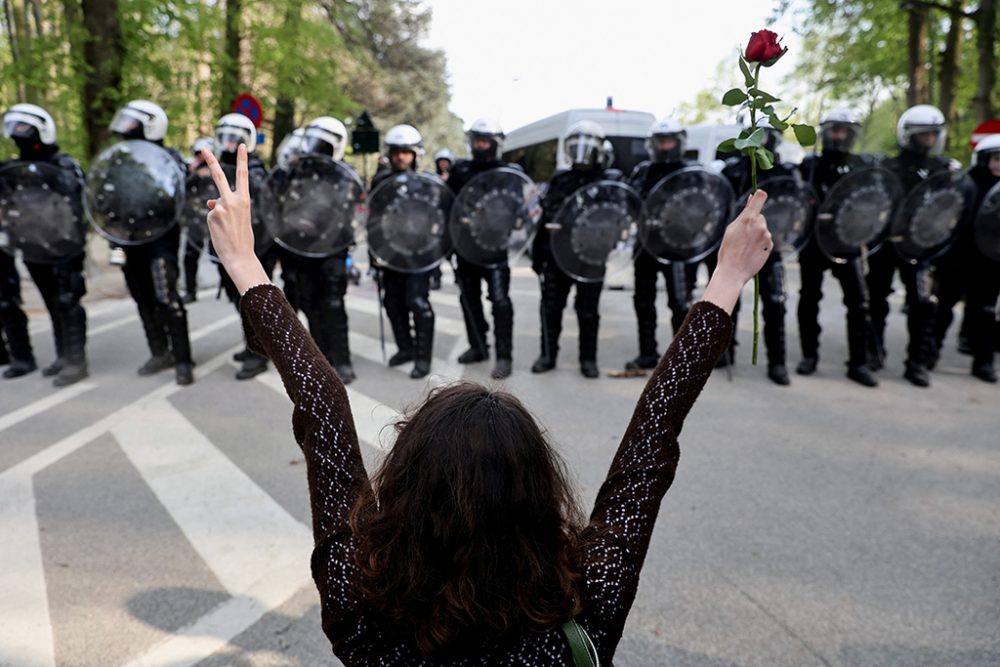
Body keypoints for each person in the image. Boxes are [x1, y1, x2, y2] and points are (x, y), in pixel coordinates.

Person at [201, 143, 771, 665]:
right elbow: (654, 436)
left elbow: (322, 411)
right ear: (539, 489)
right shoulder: (589, 596)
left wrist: (247, 266)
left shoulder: (360, 599)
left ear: (405, 485)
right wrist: (727, 278)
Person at [866, 105, 955, 387]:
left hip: (920, 248)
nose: (929, 140)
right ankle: (873, 352)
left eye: (933, 134)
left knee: (922, 304)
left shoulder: (942, 170)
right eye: (924, 135)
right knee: (876, 299)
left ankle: (916, 363)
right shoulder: (888, 167)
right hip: (887, 245)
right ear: (910, 135)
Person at [1, 103, 89, 386]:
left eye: (25, 130)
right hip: (32, 244)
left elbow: (77, 198)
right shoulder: (15, 169)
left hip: (64, 244)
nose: (19, 136)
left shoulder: (64, 165)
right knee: (52, 302)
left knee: (67, 299)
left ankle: (77, 361)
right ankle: (63, 356)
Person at [109, 99, 194, 385]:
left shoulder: (170, 159)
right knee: (142, 298)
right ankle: (160, 352)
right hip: (129, 239)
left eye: (133, 123)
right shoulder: (120, 159)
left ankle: (183, 359)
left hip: (161, 239)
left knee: (166, 296)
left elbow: (178, 197)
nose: (127, 129)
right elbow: (108, 195)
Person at [531, 121, 622, 378]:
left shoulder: (609, 181)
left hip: (592, 256)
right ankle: (548, 355)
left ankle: (588, 359)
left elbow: (617, 218)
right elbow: (547, 218)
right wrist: (539, 254)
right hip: (559, 256)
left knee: (588, 310)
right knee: (550, 307)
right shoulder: (561, 178)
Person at [796, 108, 879, 387]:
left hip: (847, 242)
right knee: (809, 300)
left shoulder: (862, 165)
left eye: (844, 130)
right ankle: (809, 356)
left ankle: (858, 362)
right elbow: (799, 199)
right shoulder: (810, 165)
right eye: (834, 129)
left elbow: (872, 201)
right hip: (814, 242)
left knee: (858, 303)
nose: (838, 135)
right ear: (826, 132)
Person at [275, 116, 357, 383]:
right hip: (301, 249)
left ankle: (342, 361)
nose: (315, 148)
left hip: (332, 249)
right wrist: (286, 169)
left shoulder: (343, 174)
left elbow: (342, 210)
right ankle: (323, 358)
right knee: (308, 303)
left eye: (322, 143)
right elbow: (278, 198)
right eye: (312, 141)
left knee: (332, 305)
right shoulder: (297, 171)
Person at [721, 118, 798, 385]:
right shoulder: (733, 170)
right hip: (737, 249)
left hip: (771, 248)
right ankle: (724, 352)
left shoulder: (786, 172)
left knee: (775, 304)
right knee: (728, 301)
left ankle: (777, 362)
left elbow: (795, 209)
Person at [625, 117, 700, 370]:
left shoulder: (692, 172)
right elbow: (630, 202)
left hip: (679, 248)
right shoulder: (642, 171)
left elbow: (703, 207)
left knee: (680, 302)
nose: (665, 146)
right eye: (661, 141)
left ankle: (680, 357)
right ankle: (647, 353)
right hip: (646, 245)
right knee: (643, 301)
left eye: (669, 141)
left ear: (679, 142)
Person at [212, 113, 281, 380]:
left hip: (253, 251)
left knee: (254, 303)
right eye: (225, 138)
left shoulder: (255, 173)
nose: (228, 144)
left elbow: (264, 215)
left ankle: (259, 357)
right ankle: (254, 346)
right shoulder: (217, 170)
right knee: (239, 303)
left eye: (235, 139)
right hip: (226, 249)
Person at [447, 118, 518, 379]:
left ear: (496, 143)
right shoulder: (461, 170)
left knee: (500, 302)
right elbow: (448, 204)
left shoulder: (508, 173)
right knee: (468, 300)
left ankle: (504, 356)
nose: (480, 145)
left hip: (495, 249)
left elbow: (512, 208)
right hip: (466, 249)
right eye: (477, 140)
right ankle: (478, 346)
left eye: (485, 140)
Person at [931, 135, 1000, 383]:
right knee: (944, 307)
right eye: (995, 158)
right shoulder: (965, 184)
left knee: (984, 313)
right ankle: (930, 352)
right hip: (959, 257)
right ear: (984, 159)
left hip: (991, 262)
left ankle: (983, 362)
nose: (998, 165)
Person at [371, 124, 436, 379]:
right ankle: (405, 348)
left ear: (416, 154)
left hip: (418, 255)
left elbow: (437, 218)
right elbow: (374, 219)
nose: (401, 157)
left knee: (418, 303)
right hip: (391, 254)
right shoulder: (380, 181)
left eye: (406, 152)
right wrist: (374, 254)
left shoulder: (426, 183)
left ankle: (423, 357)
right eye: (397, 152)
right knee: (392, 302)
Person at [181, 136, 216, 304]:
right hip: (196, 220)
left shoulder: (219, 170)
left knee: (220, 255)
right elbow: (182, 192)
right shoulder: (190, 171)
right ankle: (190, 290)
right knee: (189, 255)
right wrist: (193, 173)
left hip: (214, 219)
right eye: (199, 155)